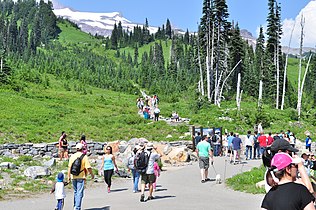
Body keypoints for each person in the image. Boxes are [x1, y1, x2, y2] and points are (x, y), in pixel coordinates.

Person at [67, 143, 94, 210]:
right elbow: (88, 167)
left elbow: (69, 167)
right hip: (81, 176)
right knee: (79, 192)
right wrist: (92, 174)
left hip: (73, 176)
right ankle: (77, 207)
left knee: (76, 192)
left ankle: (75, 205)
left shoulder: (72, 156)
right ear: (82, 149)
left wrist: (68, 176)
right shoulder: (84, 157)